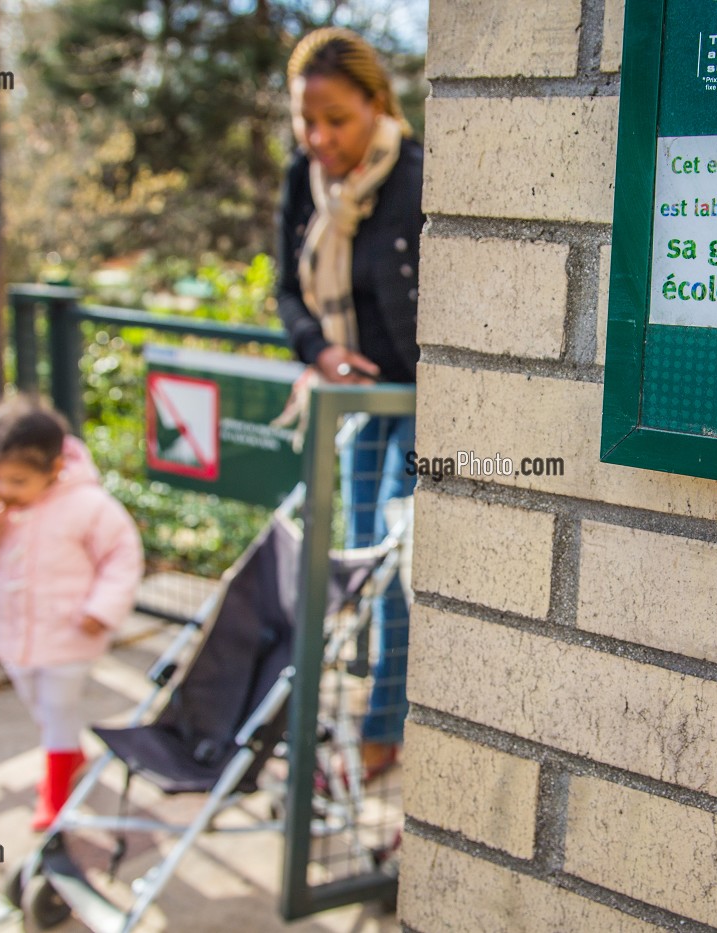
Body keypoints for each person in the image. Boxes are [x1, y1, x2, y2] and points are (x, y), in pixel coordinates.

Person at [275, 27, 422, 778]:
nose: (319, 136)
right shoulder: (303, 178)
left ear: (374, 103)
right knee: (359, 561)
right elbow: (284, 293)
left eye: (336, 118)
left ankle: (381, 730)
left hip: (424, 401)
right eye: (307, 119)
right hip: (353, 400)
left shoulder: (415, 176)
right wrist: (321, 351)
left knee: (400, 565)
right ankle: (379, 712)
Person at [0, 395, 144, 830]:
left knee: (57, 708)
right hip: (13, 631)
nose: (5, 490)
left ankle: (55, 793)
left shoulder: (89, 506)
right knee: (39, 703)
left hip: (71, 632)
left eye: (17, 481)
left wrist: (102, 609)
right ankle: (68, 753)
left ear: (52, 469)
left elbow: (122, 556)